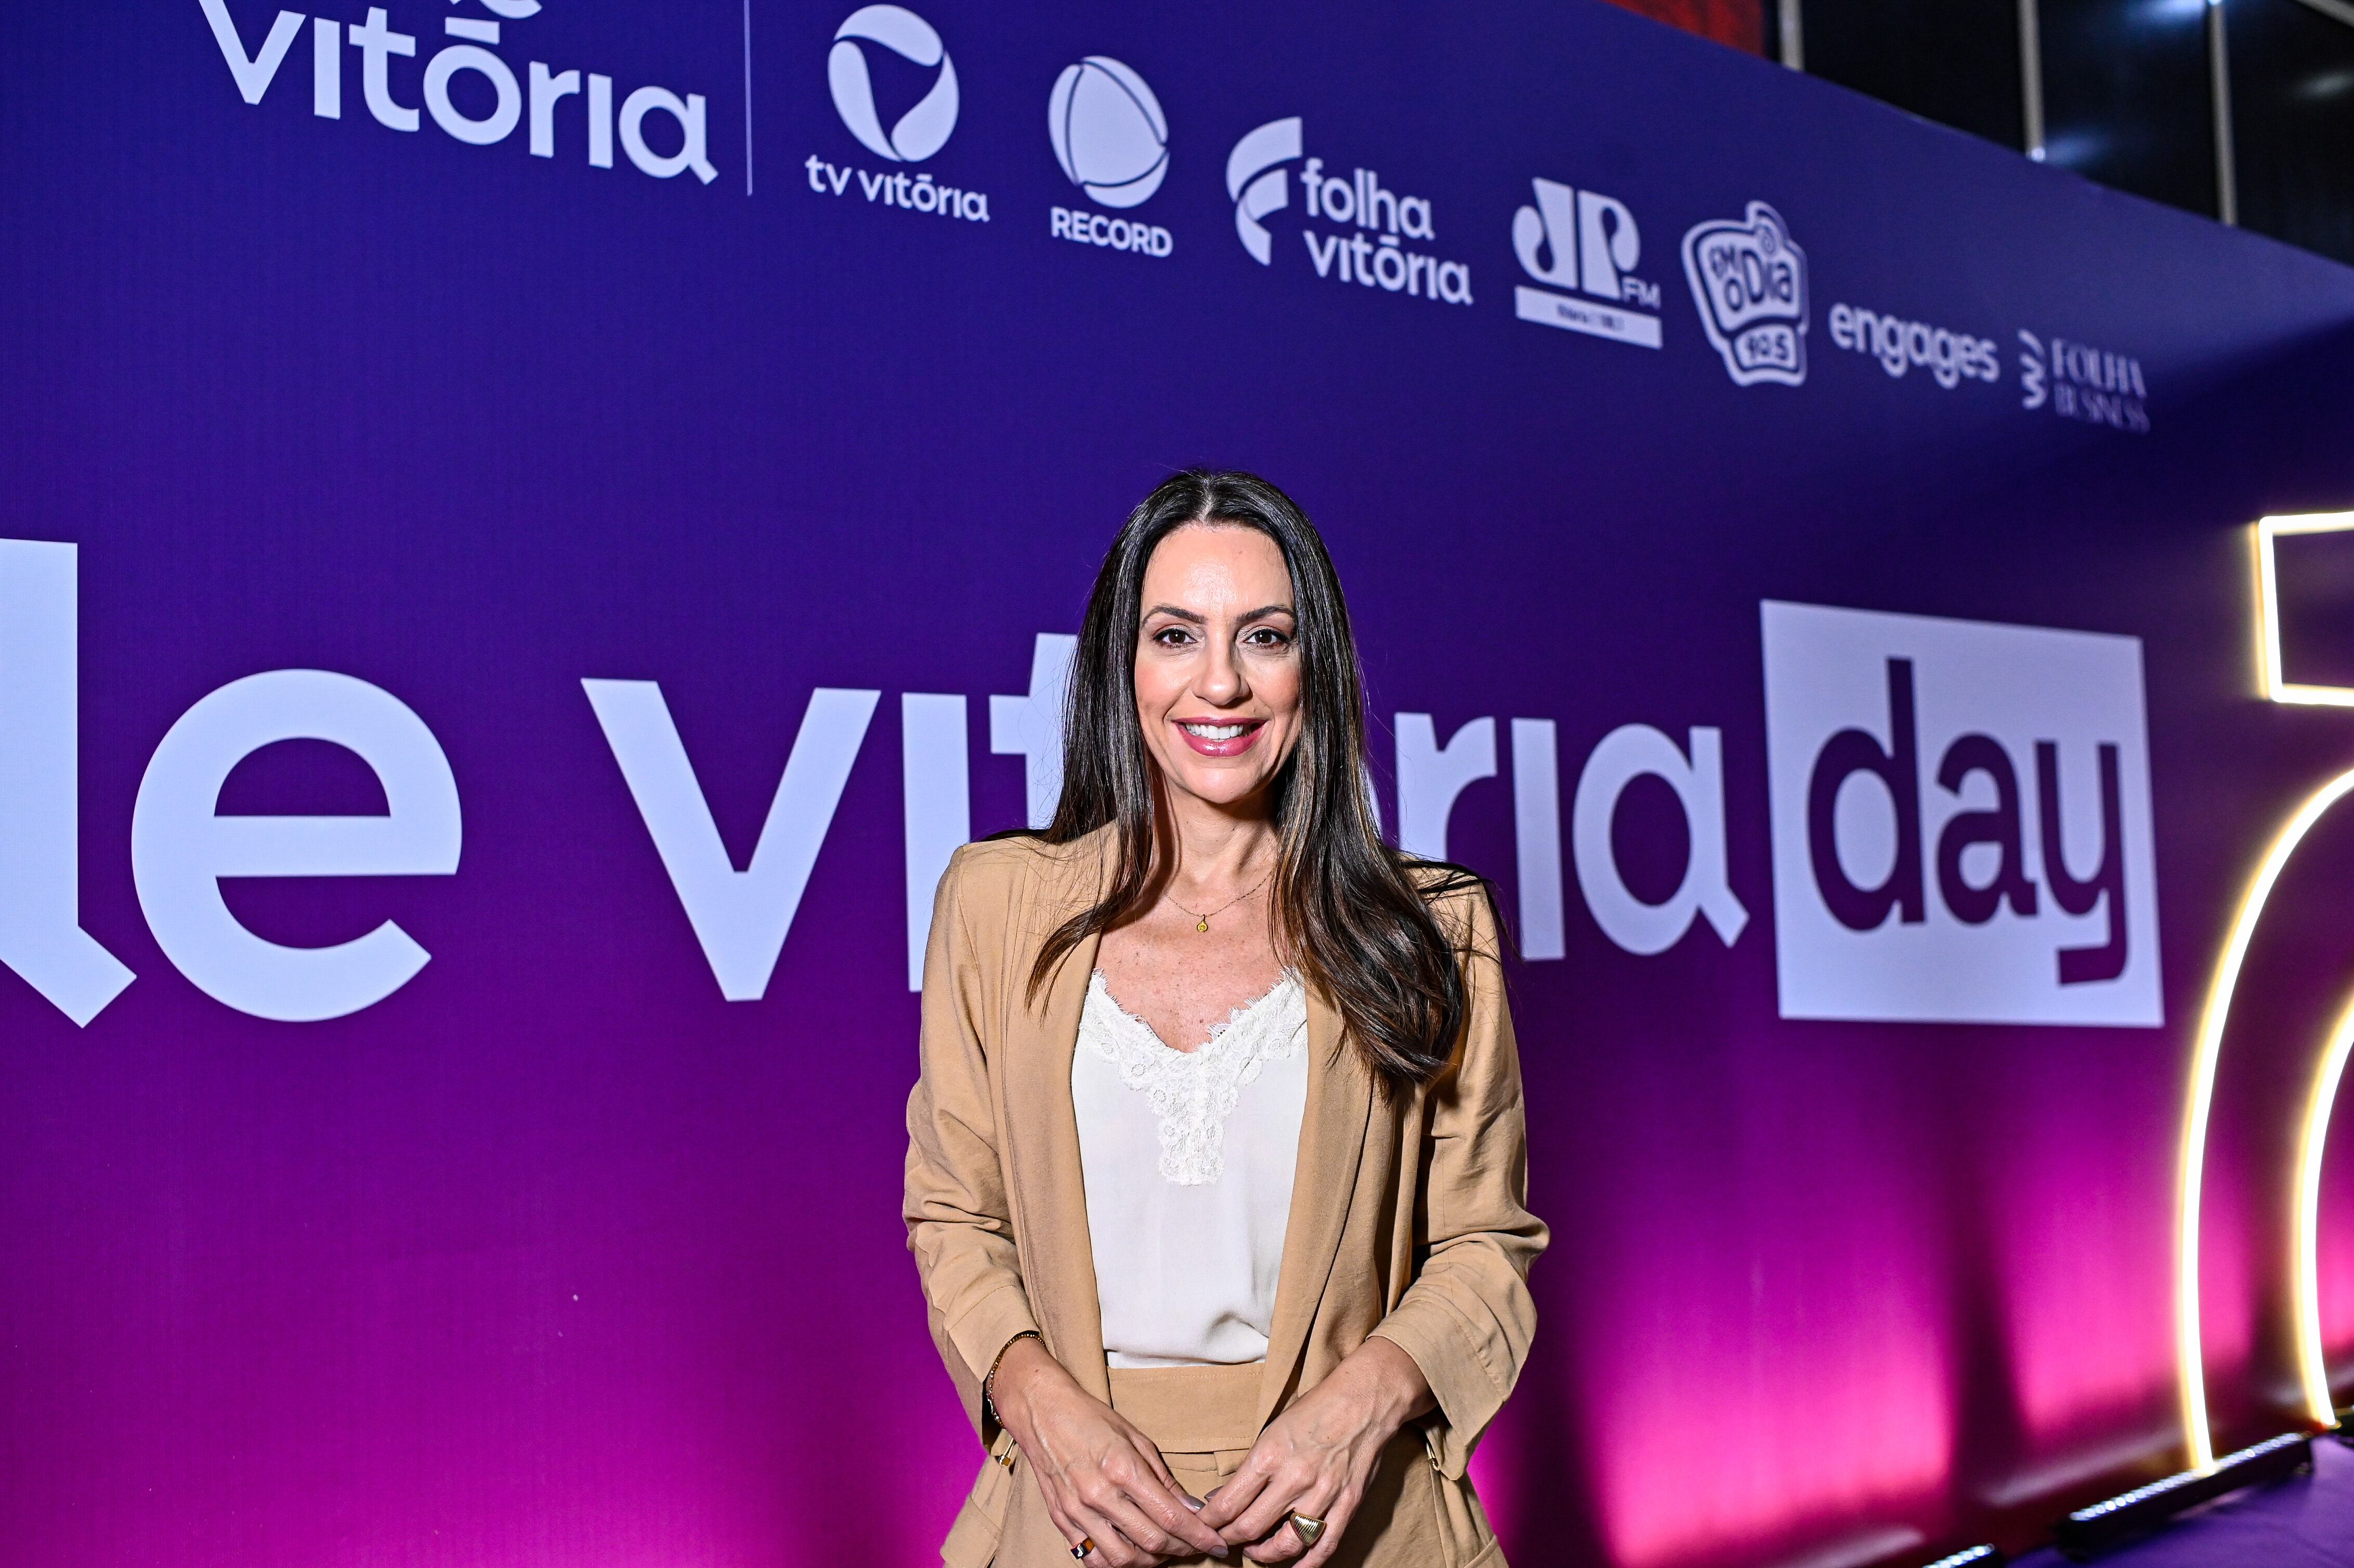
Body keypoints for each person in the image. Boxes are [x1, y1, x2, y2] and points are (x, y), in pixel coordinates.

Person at [905, 471, 1546, 1567]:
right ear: (1122, 665)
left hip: (1358, 1525)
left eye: (1264, 636)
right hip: (1075, 1524)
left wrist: (1359, 1408)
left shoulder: (1433, 927)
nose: (1220, 682)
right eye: (1175, 635)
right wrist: (1035, 1402)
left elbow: (1485, 1241)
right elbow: (956, 1213)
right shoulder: (994, 905)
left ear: (1314, 667)